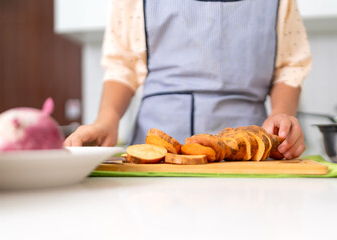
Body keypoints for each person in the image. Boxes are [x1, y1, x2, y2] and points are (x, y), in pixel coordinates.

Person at [64, 0, 312, 160]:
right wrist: (107, 121)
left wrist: (282, 118)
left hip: (247, 159)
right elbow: (123, 65)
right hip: (154, 163)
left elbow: (289, 66)